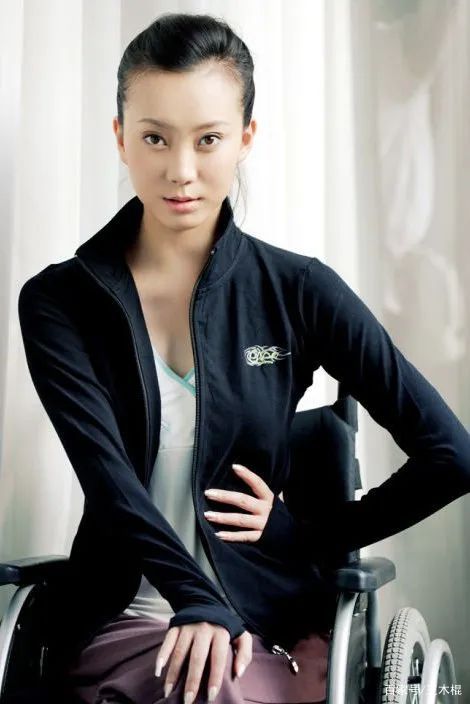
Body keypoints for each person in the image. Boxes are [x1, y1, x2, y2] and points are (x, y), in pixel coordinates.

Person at [17, 11, 470, 704]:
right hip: (128, 617)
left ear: (245, 139)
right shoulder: (59, 302)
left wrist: (305, 535)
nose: (181, 171)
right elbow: (111, 484)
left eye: (209, 139)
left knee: (223, 688)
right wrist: (196, 600)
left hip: (267, 620)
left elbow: (451, 455)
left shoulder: (299, 289)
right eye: (155, 137)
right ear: (120, 138)